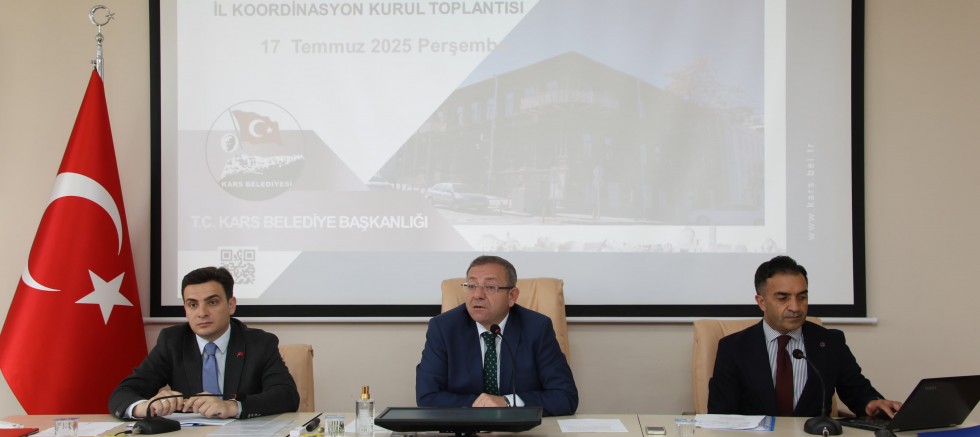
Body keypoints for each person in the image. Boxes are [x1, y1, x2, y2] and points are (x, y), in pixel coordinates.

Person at [708, 255, 902, 417]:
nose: (795, 307)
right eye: (783, 298)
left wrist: (871, 403)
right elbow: (720, 416)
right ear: (762, 302)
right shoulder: (733, 348)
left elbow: (858, 392)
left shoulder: (830, 343)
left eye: (802, 297)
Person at [109, 267, 299, 419]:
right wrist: (147, 407)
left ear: (231, 305)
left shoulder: (259, 343)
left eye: (212, 302)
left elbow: (287, 396)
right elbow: (122, 394)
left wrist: (231, 407)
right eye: (193, 305)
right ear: (185, 309)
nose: (202, 313)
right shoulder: (172, 341)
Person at [415, 255, 578, 416]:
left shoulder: (537, 328)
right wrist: (482, 406)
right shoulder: (443, 328)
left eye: (490, 287)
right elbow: (427, 396)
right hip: (465, 427)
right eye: (471, 286)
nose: (477, 295)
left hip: (519, 428)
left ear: (512, 296)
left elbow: (565, 396)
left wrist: (508, 402)